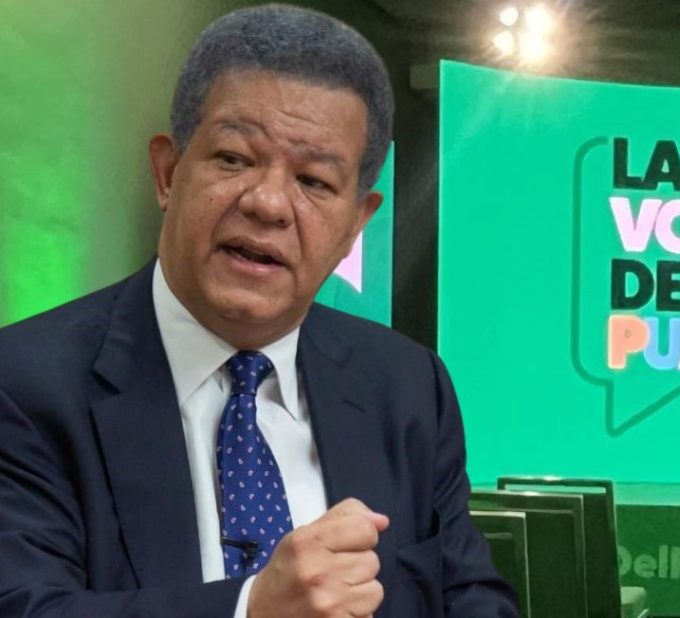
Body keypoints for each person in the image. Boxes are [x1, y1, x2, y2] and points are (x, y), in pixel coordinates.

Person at [0, 4, 518, 617]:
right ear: (167, 173)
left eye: (314, 181)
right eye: (234, 159)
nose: (268, 203)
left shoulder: (408, 389)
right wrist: (252, 609)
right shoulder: (25, 384)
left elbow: (471, 600)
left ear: (356, 225)